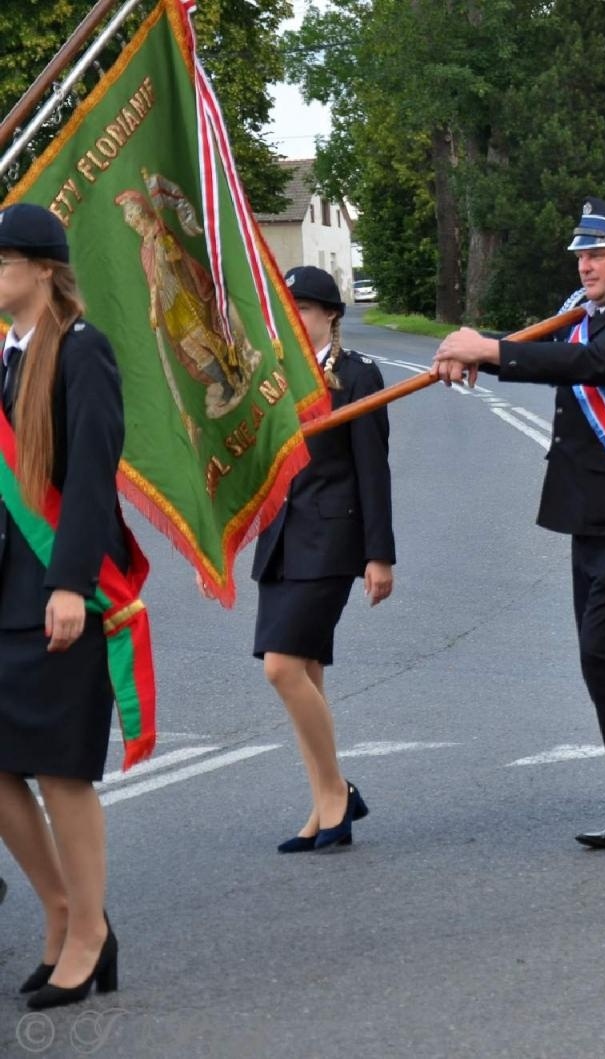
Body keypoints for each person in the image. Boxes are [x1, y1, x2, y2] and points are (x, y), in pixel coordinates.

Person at [434, 199, 605, 847]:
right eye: (582, 252)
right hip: (591, 515)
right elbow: (541, 351)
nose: (586, 261)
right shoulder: (584, 315)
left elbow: (585, 366)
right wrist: (476, 354)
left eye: (599, 252)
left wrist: (488, 348)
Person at [0, 203, 126, 1008]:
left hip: (54, 588)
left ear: (43, 268)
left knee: (61, 770)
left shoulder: (83, 353)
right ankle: (58, 908)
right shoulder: (4, 356)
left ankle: (90, 933)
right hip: (2, 588)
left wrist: (69, 585)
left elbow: (90, 477)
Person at [245, 265, 394, 852]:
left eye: (304, 309)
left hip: (333, 540)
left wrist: (378, 556)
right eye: (285, 308)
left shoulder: (358, 376)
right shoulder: (268, 377)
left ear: (331, 314)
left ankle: (336, 793)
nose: (293, 319)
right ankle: (327, 802)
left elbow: (372, 470)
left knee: (280, 667)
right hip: (280, 537)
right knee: (305, 675)